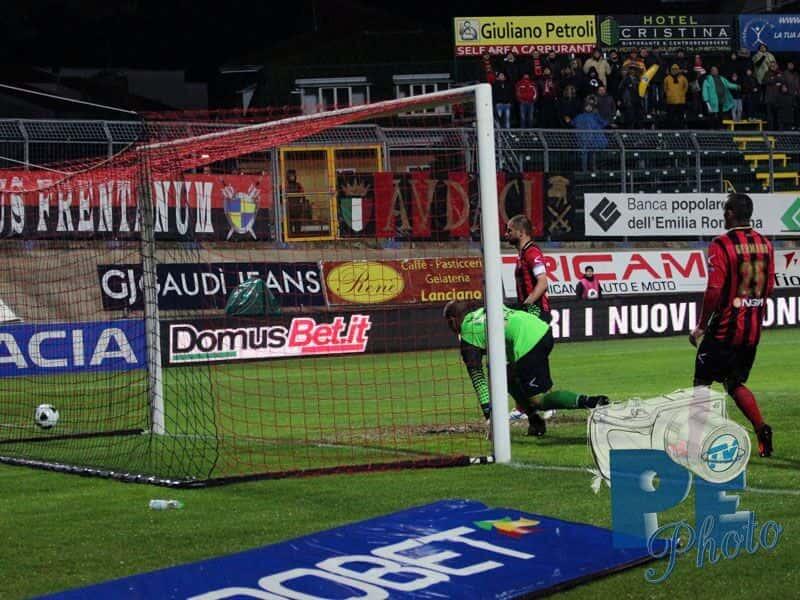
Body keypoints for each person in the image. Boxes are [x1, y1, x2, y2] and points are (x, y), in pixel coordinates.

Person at [443, 301, 609, 437]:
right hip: (542, 330)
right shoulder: (485, 310)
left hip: (528, 344)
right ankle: (534, 420)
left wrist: (490, 418)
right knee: (507, 377)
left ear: (452, 321)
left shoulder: (468, 335)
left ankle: (593, 402)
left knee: (539, 400)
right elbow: (529, 308)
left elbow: (478, 379)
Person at [690, 193, 774, 458]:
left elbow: (714, 289)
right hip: (751, 330)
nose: (723, 214)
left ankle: (694, 444)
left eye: (725, 209)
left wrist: (702, 325)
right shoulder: (765, 243)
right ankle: (761, 429)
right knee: (734, 382)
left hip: (725, 329)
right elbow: (770, 285)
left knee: (702, 383)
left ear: (730, 213)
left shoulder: (721, 244)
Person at [285, 169, 310, 236]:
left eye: (293, 175)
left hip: (297, 207)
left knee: (297, 222)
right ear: (288, 176)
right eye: (290, 175)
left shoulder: (298, 185)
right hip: (289, 207)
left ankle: (297, 234)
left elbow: (303, 194)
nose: (292, 177)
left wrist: (303, 202)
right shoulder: (285, 186)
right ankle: (289, 235)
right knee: (289, 223)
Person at [663, 64, 688, 128]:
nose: (674, 71)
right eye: (673, 69)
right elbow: (665, 88)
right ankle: (671, 127)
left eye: (676, 69)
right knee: (670, 116)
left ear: (678, 70)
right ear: (671, 70)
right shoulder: (667, 78)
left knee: (680, 115)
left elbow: (686, 87)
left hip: (680, 100)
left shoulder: (683, 78)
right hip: (671, 100)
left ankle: (681, 127)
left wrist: (682, 93)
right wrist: (668, 94)